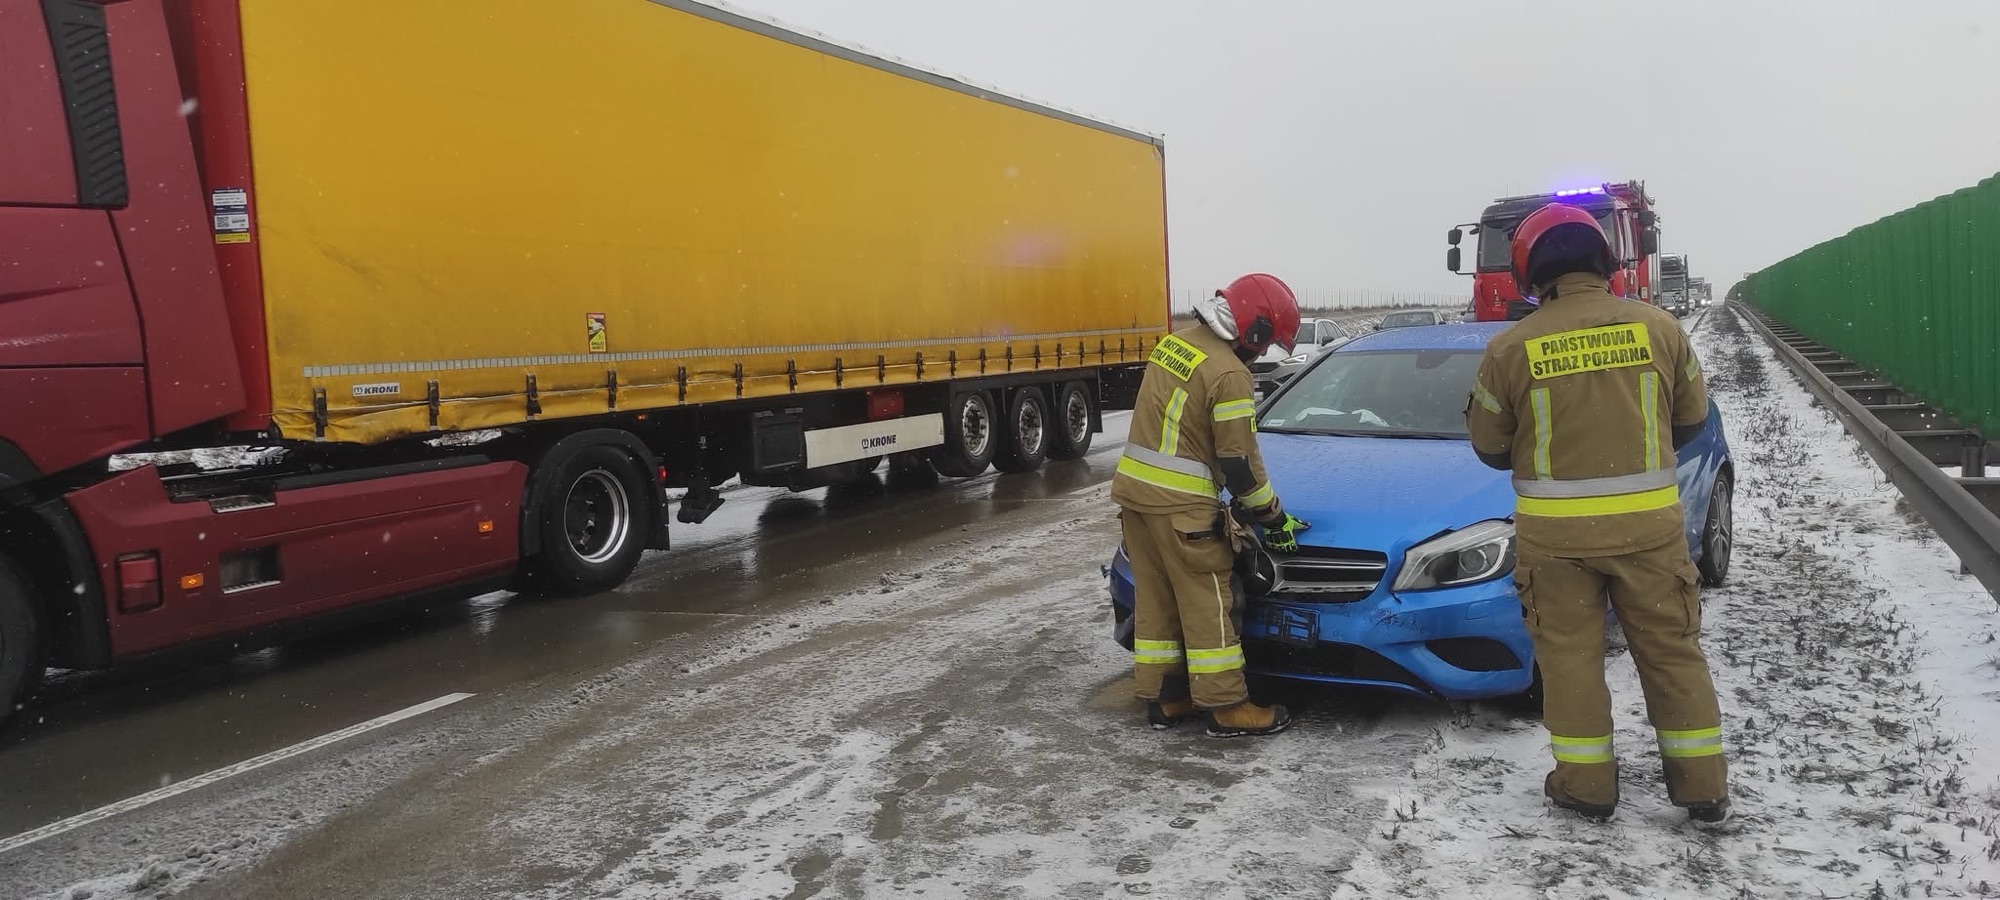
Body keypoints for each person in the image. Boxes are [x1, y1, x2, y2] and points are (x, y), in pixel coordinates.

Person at [1464, 203, 1731, 826]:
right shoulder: (1660, 328)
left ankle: (1587, 788)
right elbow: (1691, 421)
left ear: (1531, 269)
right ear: (1605, 258)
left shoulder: (1511, 347)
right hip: (1650, 534)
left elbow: (1487, 446)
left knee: (1570, 660)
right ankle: (1702, 787)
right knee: (1672, 653)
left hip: (1556, 544)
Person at [1111, 273, 1313, 738]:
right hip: (1182, 509)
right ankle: (1227, 708)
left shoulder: (1175, 345)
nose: (1262, 355)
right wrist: (1272, 516)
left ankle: (1168, 698)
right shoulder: (1229, 373)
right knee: (1207, 605)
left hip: (1136, 499)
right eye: (1265, 345)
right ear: (1254, 330)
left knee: (1158, 602)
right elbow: (1239, 464)